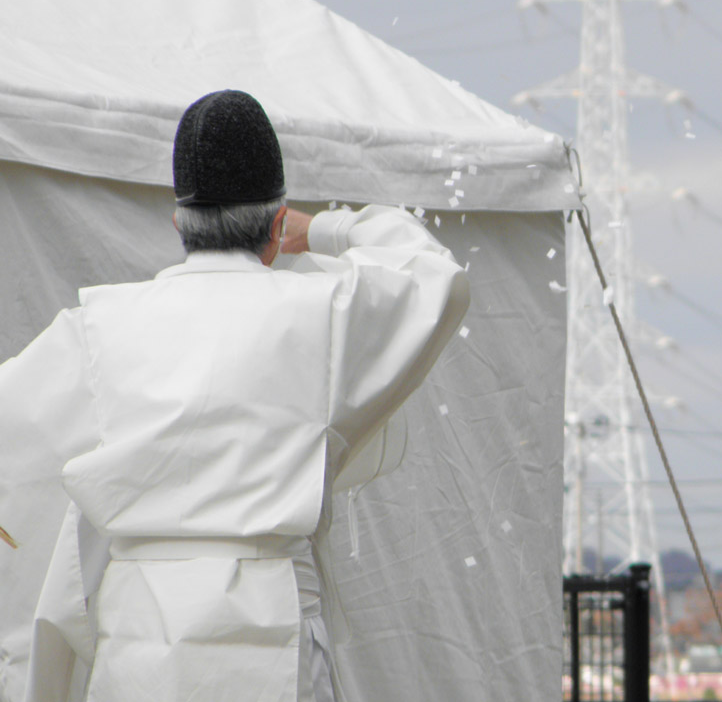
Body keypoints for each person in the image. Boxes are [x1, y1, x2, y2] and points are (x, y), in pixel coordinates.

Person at [0, 89, 470, 702]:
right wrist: (326, 228)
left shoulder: (100, 325)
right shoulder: (320, 313)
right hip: (268, 622)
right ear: (278, 225)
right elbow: (433, 273)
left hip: (140, 630)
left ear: (178, 222)